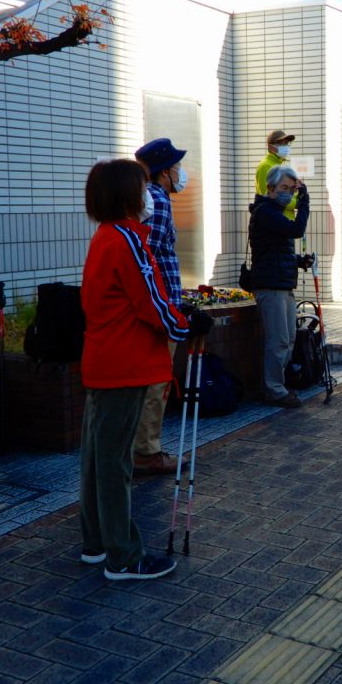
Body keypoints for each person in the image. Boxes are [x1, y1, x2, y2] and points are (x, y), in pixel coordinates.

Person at [79, 159, 212, 580]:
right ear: (126, 195)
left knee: (99, 460)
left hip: (104, 360)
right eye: (141, 188)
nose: (147, 197)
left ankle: (97, 544)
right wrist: (187, 323)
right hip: (126, 363)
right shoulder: (127, 240)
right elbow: (150, 304)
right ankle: (124, 556)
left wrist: (178, 314)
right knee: (116, 464)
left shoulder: (104, 236)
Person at [133, 138, 188, 475]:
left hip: (158, 303)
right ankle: (147, 452)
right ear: (164, 172)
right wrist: (169, 308)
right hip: (162, 304)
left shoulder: (149, 199)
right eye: (177, 166)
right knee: (158, 378)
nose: (181, 173)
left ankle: (142, 447)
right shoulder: (158, 201)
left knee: (152, 377)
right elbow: (148, 258)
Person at [248, 165, 311, 408]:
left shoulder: (275, 212)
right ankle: (274, 389)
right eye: (284, 188)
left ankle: (278, 385)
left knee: (288, 339)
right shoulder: (266, 212)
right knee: (279, 340)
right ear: (271, 188)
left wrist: (297, 261)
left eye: (292, 189)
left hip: (281, 284)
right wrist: (304, 203)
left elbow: (273, 251)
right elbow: (297, 230)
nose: (289, 193)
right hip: (270, 286)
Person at [256, 129, 298, 221]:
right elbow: (270, 196)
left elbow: (287, 193)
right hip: (275, 223)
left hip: (285, 223)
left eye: (287, 143)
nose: (286, 147)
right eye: (282, 144)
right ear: (270, 147)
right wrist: (298, 203)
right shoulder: (265, 166)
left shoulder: (278, 165)